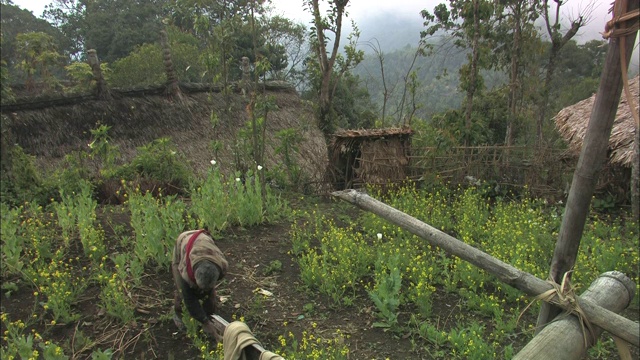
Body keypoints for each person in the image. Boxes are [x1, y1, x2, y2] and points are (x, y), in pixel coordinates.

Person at [172, 229, 228, 339]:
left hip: (203, 241)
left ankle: (210, 315)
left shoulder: (222, 266)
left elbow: (209, 286)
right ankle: (179, 315)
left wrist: (209, 297)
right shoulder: (186, 272)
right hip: (183, 241)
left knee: (209, 295)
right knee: (182, 293)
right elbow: (189, 299)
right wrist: (205, 322)